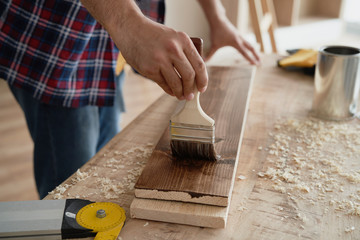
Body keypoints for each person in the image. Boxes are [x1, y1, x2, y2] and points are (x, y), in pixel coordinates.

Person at [0, 0, 260, 198]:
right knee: (71, 193)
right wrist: (128, 23)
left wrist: (217, 17)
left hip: (109, 42)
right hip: (55, 39)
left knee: (104, 173)